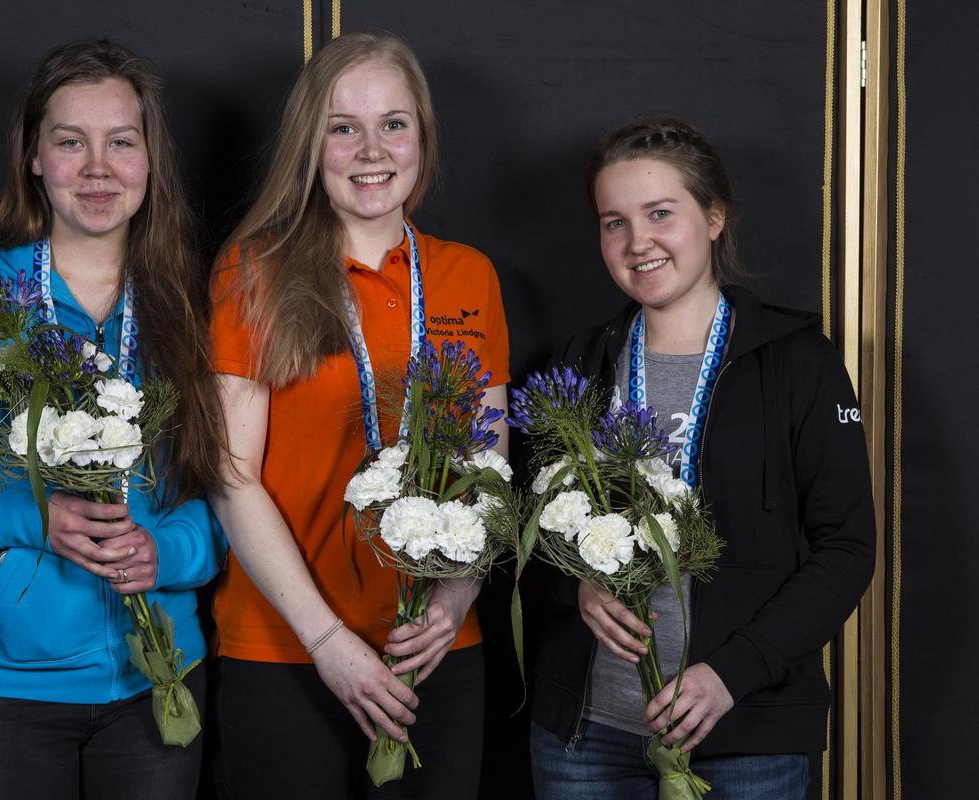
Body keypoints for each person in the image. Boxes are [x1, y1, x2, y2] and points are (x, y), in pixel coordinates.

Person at [0, 39, 225, 800]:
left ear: (150, 159)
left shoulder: (196, 302)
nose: (98, 168)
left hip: (160, 677)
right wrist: (30, 517)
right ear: (33, 157)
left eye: (121, 142)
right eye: (70, 142)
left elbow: (231, 490)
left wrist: (169, 552)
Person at [528, 117, 875, 798]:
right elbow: (531, 536)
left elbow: (847, 550)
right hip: (585, 740)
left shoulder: (798, 363)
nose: (638, 241)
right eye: (615, 222)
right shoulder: (581, 362)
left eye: (661, 213)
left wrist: (730, 675)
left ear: (714, 218)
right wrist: (576, 588)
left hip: (742, 737)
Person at [207, 32, 510, 799]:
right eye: (343, 127)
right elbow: (230, 478)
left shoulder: (469, 275)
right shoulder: (253, 272)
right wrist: (327, 640)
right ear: (310, 145)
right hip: (288, 650)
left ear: (422, 138)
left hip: (434, 650)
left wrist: (457, 597)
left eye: (393, 124)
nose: (371, 150)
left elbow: (491, 466)